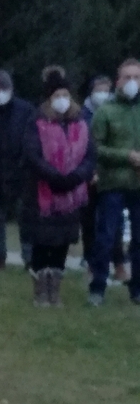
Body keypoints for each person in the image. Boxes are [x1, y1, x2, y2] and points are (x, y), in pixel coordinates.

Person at [22, 68, 95, 307]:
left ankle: (55, 291)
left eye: (65, 94)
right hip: (44, 195)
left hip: (72, 195)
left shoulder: (81, 122)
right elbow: (33, 155)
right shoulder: (36, 121)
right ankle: (40, 291)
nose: (62, 99)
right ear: (49, 98)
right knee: (42, 243)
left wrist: (75, 177)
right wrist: (56, 177)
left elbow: (89, 156)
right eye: (56, 95)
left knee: (62, 244)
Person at [88, 58, 140, 305]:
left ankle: (137, 289)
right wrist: (126, 156)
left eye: (136, 77)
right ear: (118, 81)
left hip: (138, 184)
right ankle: (97, 288)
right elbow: (95, 149)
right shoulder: (105, 112)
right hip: (112, 184)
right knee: (106, 237)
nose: (132, 82)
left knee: (139, 239)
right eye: (127, 77)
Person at [0, 69, 35, 269]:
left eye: (4, 87)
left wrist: (23, 163)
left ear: (11, 88)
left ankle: (29, 257)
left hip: (21, 172)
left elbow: (31, 140)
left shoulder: (26, 110)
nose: (0, 92)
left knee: (25, 217)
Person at [80, 75, 127, 281]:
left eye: (106, 90)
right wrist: (91, 171)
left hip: (112, 176)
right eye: (99, 90)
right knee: (89, 221)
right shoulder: (82, 116)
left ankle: (119, 263)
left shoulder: (117, 112)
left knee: (114, 222)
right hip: (88, 176)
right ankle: (91, 262)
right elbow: (82, 147)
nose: (103, 94)